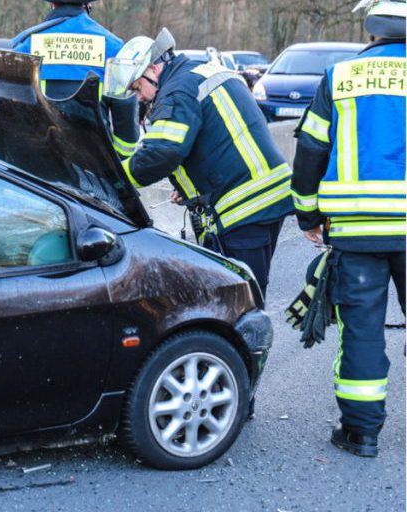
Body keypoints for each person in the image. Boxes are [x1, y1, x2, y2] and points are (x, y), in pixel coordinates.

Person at [291, 0, 406, 457]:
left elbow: (311, 151)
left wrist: (307, 214)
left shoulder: (339, 77)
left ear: (373, 30)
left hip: (356, 232)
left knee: (361, 331)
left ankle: (361, 434)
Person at [103, 28, 292, 298]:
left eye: (137, 87)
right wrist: (192, 186)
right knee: (242, 292)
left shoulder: (177, 91)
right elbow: (214, 137)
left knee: (239, 301)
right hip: (263, 196)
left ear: (153, 70)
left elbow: (161, 153)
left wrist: (111, 177)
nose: (139, 97)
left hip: (243, 207)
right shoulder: (198, 71)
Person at [12, 0, 140, 159]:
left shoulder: (26, 44)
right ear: (87, 6)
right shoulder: (114, 47)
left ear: (52, 5)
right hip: (95, 163)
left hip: (39, 159)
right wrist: (118, 161)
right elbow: (126, 118)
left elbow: (12, 108)